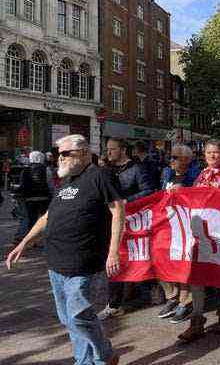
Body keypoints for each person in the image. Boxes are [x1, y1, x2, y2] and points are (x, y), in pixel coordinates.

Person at [6, 134, 125, 365]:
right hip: (56, 263)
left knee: (78, 316)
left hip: (83, 263)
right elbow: (47, 217)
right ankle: (83, 361)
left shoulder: (99, 175)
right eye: (58, 154)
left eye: (64, 154)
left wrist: (113, 252)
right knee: (68, 319)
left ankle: (106, 356)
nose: (58, 159)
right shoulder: (67, 181)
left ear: (83, 153)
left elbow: (118, 211)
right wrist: (24, 242)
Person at [178, 139, 220, 343]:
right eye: (208, 152)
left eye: (215, 152)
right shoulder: (202, 174)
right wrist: (180, 192)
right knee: (197, 276)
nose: (212, 156)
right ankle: (196, 320)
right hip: (202, 233)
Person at [98, 139, 156, 320]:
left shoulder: (137, 169)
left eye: (112, 149)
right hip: (110, 221)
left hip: (132, 222)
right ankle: (115, 302)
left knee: (135, 257)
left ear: (123, 150)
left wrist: (127, 201)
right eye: (107, 149)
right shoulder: (106, 169)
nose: (108, 153)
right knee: (115, 259)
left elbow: (148, 190)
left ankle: (148, 288)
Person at [157, 143, 201, 323]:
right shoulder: (167, 173)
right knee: (158, 256)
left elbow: (198, 196)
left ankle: (186, 300)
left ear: (186, 159)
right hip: (168, 221)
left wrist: (183, 191)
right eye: (171, 156)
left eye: (175, 157)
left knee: (183, 259)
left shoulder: (195, 175)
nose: (171, 160)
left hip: (187, 224)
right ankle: (172, 295)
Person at [13, 151, 51, 245]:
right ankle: (43, 239)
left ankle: (31, 240)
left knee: (32, 219)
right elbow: (50, 184)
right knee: (44, 219)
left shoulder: (25, 170)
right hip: (44, 198)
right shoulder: (46, 169)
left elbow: (22, 185)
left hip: (30, 198)